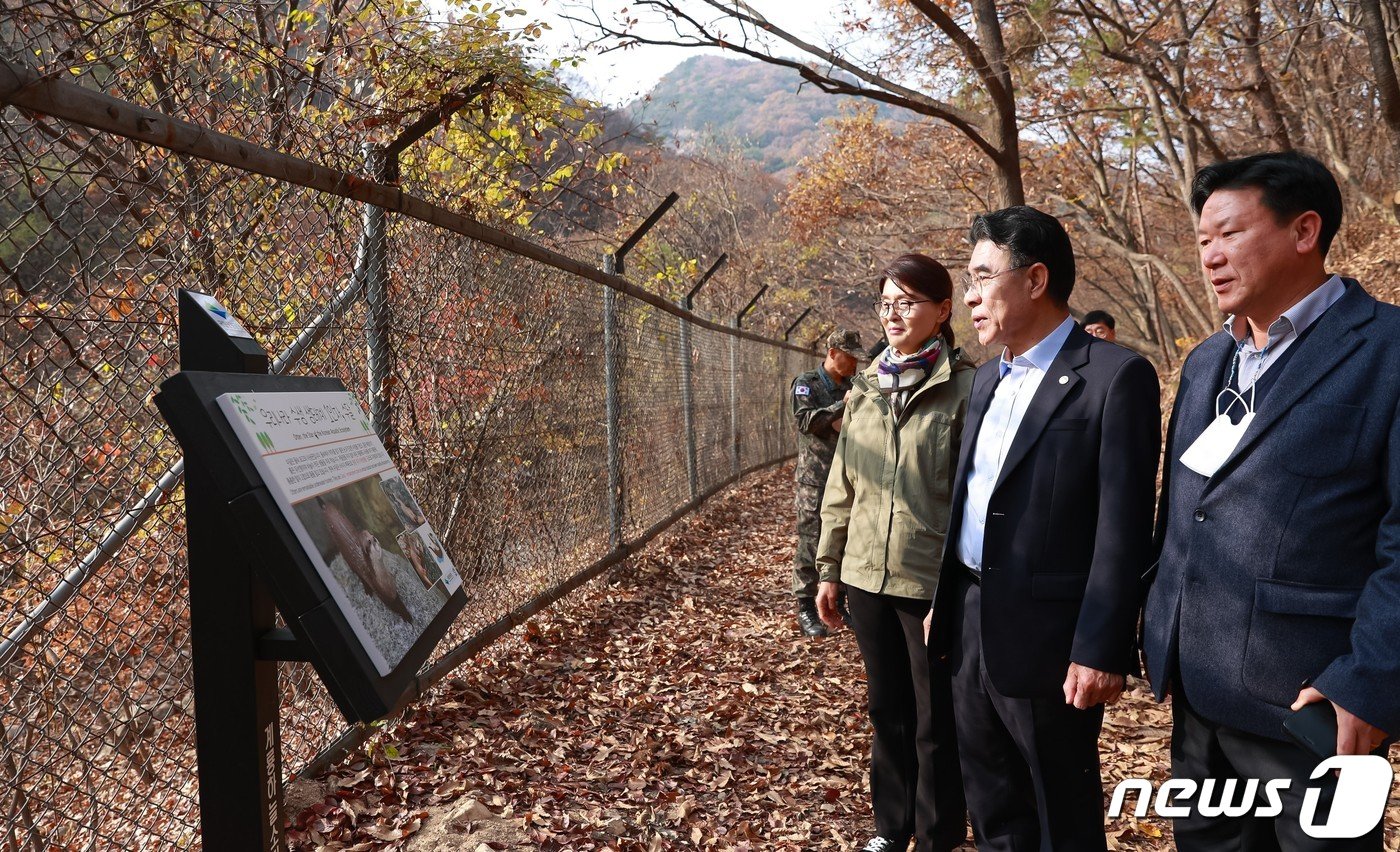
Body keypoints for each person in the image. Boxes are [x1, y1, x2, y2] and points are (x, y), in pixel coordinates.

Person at [1142, 151, 1400, 851]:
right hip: (1198, 699)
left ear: (1305, 230)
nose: (1211, 256)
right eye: (1202, 242)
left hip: (1312, 705)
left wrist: (1370, 682)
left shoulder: (1386, 350)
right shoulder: (1206, 363)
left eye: (1228, 233)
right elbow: (1186, 514)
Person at [932, 206, 1160, 852]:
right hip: (972, 626)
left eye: (982, 276)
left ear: (1035, 280)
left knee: (1062, 820)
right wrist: (945, 600)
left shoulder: (1114, 378)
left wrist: (1101, 645)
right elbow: (970, 502)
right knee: (995, 811)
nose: (970, 296)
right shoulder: (983, 380)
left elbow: (1123, 527)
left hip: (1053, 645)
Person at [815, 253, 971, 852]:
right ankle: (891, 828)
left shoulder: (966, 388)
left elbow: (970, 499)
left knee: (934, 718)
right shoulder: (865, 388)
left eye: (907, 302)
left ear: (942, 310)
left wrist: (953, 587)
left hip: (926, 581)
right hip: (864, 576)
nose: (894, 314)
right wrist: (828, 569)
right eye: (886, 303)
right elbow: (843, 485)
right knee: (887, 710)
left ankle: (936, 834)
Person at [791, 328, 866, 637]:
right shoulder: (807, 385)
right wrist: (840, 406)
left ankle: (839, 601)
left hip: (847, 475)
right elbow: (806, 422)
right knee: (812, 539)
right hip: (816, 478)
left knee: (845, 537)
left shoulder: (852, 385)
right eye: (851, 359)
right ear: (833, 353)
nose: (855, 366)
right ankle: (806, 606)